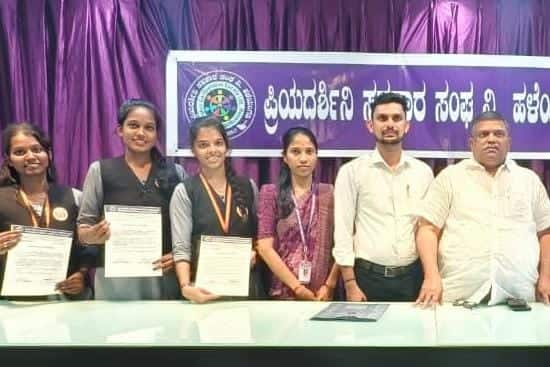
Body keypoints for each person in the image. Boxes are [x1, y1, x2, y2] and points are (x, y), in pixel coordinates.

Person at [414, 111, 550, 306]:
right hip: (459, 292)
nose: (491, 139)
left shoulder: (528, 180)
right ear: (472, 143)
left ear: (508, 142)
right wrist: (431, 276)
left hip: (518, 294)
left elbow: (546, 232)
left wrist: (547, 277)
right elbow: (427, 229)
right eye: (483, 135)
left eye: (499, 134)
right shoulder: (450, 177)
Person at [77, 99, 187, 300]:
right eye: (133, 125)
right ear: (120, 130)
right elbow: (83, 229)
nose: (141, 133)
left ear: (156, 134)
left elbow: (188, 228)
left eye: (149, 128)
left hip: (164, 276)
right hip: (116, 282)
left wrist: (178, 257)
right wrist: (93, 235)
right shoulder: (100, 170)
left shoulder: (176, 173)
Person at [333, 92, 434, 301]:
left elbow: (428, 229)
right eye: (382, 118)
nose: (390, 124)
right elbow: (343, 231)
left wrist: (430, 275)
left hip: (413, 279)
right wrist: (350, 283)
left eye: (396, 118)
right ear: (370, 125)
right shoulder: (351, 171)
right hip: (367, 279)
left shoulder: (423, 172)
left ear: (407, 125)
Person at [0, 122, 90, 299]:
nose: (30, 156)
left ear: (49, 154)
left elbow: (88, 249)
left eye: (37, 149)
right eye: (20, 152)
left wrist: (81, 275)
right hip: (16, 305)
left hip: (68, 304)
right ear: (9, 160)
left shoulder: (75, 198)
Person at [170, 116, 260, 303]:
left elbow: (261, 238)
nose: (212, 150)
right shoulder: (185, 191)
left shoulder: (248, 187)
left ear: (227, 147)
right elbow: (181, 248)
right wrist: (185, 287)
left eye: (218, 143)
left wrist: (255, 253)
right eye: (203, 145)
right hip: (203, 291)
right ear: (193, 150)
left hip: (247, 288)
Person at [256, 126, 338, 300]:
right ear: (285, 157)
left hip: (322, 294)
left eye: (309, 152)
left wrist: (329, 285)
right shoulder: (271, 194)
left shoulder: (328, 193)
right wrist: (297, 288)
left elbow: (344, 242)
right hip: (283, 293)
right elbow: (264, 247)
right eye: (295, 152)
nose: (303, 159)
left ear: (316, 156)